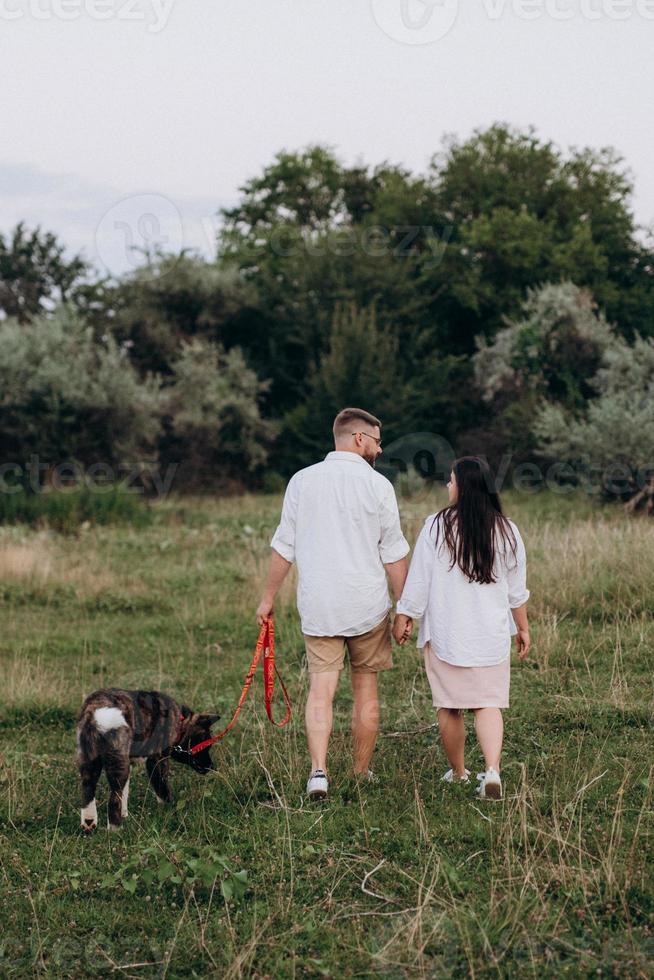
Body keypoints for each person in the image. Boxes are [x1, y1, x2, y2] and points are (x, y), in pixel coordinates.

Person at [256, 407, 411, 801]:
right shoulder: (379, 487)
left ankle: (319, 772)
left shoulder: (302, 481)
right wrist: (405, 608)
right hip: (368, 608)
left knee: (320, 691)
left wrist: (268, 598)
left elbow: (283, 547)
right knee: (366, 690)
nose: (379, 449)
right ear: (359, 438)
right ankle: (360, 771)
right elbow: (393, 555)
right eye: (377, 441)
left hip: (320, 605)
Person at [393, 456, 530, 800]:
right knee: (489, 703)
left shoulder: (437, 525)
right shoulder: (507, 529)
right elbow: (517, 590)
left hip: (446, 633)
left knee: (449, 706)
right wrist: (523, 627)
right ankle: (493, 771)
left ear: (463, 485)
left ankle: (458, 772)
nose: (448, 486)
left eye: (451, 480)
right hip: (491, 635)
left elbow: (419, 579)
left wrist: (405, 613)